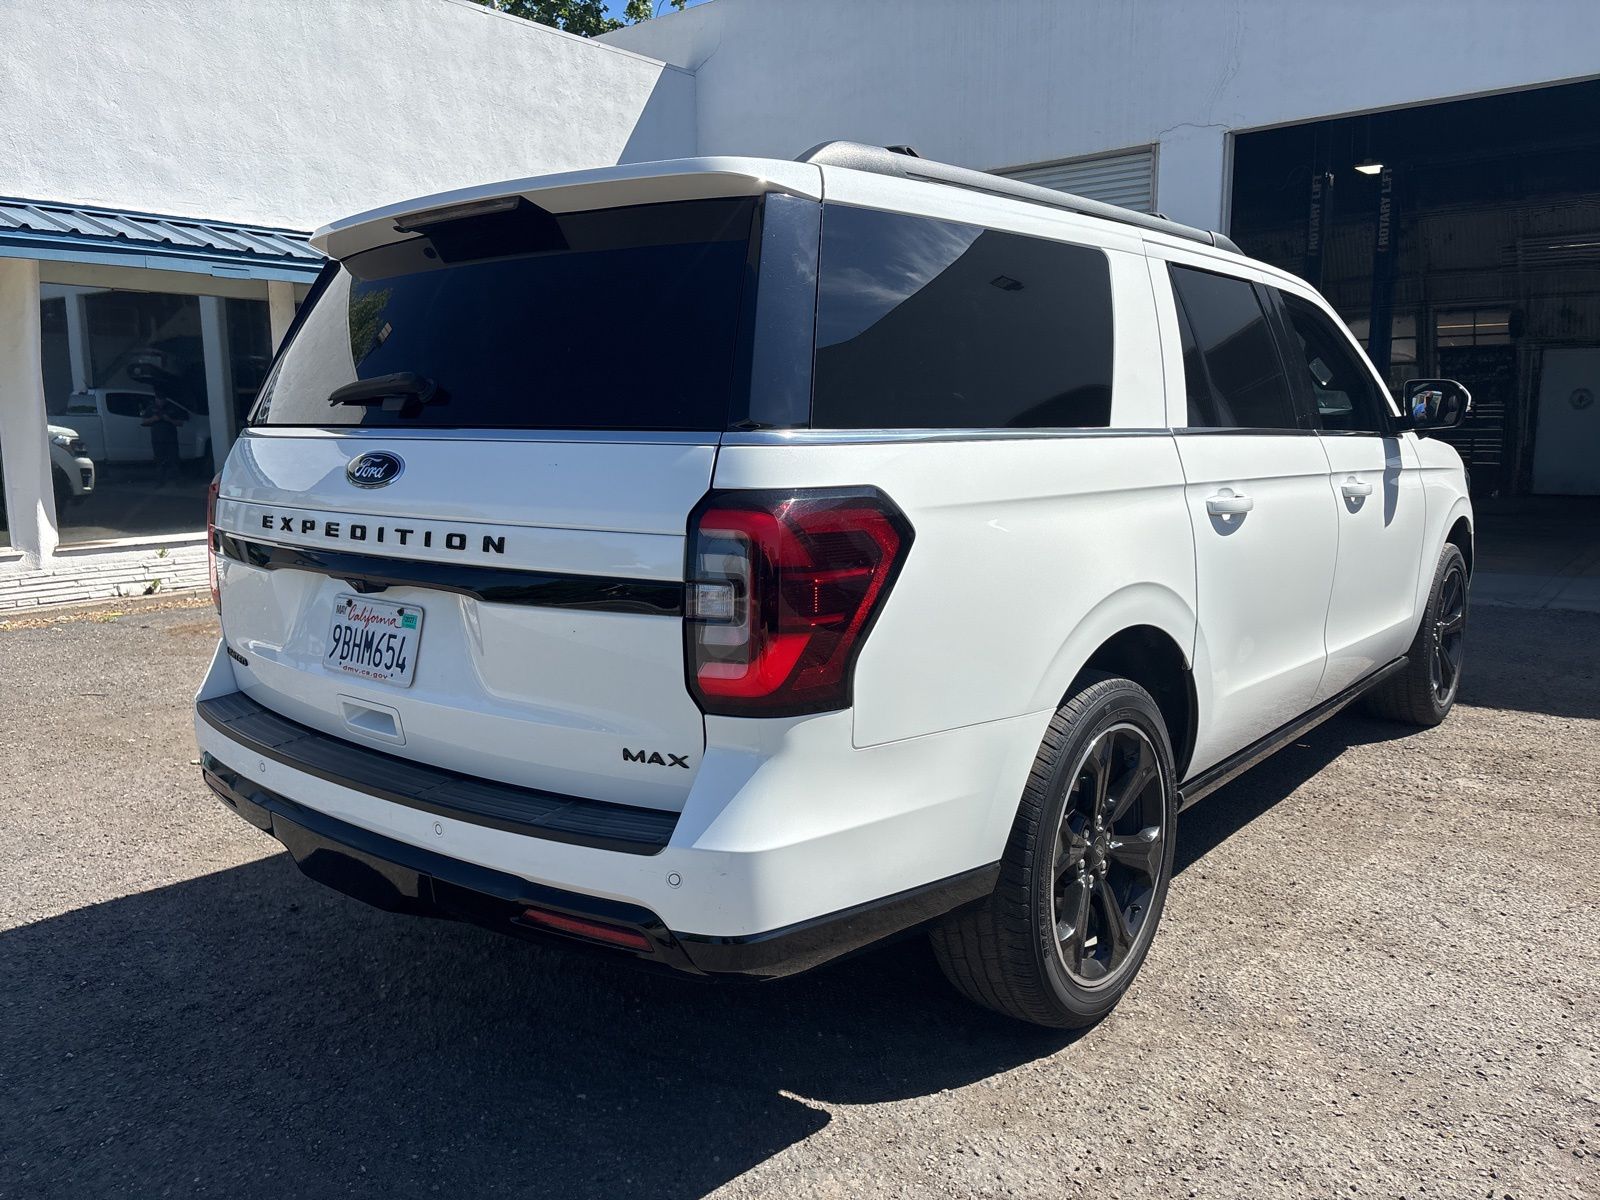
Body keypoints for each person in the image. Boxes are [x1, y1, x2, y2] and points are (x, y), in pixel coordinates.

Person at [140, 394, 188, 486]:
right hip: (157, 439)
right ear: (156, 399)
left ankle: (178, 482)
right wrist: (153, 419)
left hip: (171, 439)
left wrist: (169, 419)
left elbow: (180, 423)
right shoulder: (151, 408)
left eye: (162, 399)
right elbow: (144, 422)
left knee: (174, 460)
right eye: (158, 399)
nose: (160, 401)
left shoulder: (172, 407)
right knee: (159, 461)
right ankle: (160, 482)